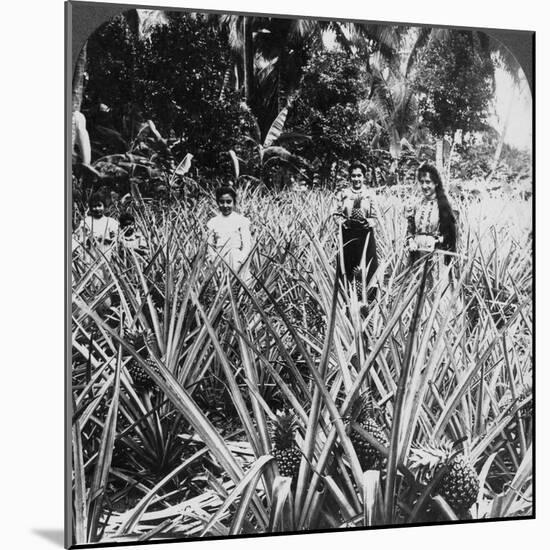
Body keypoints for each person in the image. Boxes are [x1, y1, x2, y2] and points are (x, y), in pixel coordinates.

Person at [336, 160, 379, 302]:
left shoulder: (369, 194)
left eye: (359, 175)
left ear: (364, 177)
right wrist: (344, 222)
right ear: (350, 177)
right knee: (348, 266)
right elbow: (336, 214)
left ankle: (368, 298)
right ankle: (348, 297)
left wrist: (368, 222)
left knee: (367, 265)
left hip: (365, 235)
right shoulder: (344, 193)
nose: (356, 179)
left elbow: (375, 216)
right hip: (348, 234)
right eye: (353, 176)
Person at [405, 163, 457, 278]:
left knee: (434, 289)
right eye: (422, 182)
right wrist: (411, 241)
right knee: (416, 289)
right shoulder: (416, 205)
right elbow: (410, 230)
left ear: (436, 183)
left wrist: (436, 241)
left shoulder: (444, 205)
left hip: (435, 256)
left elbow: (451, 234)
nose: (424, 186)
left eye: (428, 182)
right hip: (417, 255)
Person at [206, 186, 253, 283]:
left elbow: (247, 244)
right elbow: (210, 245)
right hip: (219, 260)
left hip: (236, 259)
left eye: (228, 202)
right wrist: (214, 260)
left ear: (234, 202)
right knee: (220, 287)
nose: (225, 205)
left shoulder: (241, 221)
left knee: (239, 287)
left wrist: (241, 260)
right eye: (221, 202)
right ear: (217, 203)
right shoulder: (213, 222)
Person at [73, 193, 120, 262]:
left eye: (99, 205)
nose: (97, 208)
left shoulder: (111, 222)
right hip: (90, 254)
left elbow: (115, 240)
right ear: (90, 208)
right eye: (94, 206)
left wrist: (103, 240)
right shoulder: (86, 221)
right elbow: (81, 237)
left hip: (106, 253)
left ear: (104, 206)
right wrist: (88, 239)